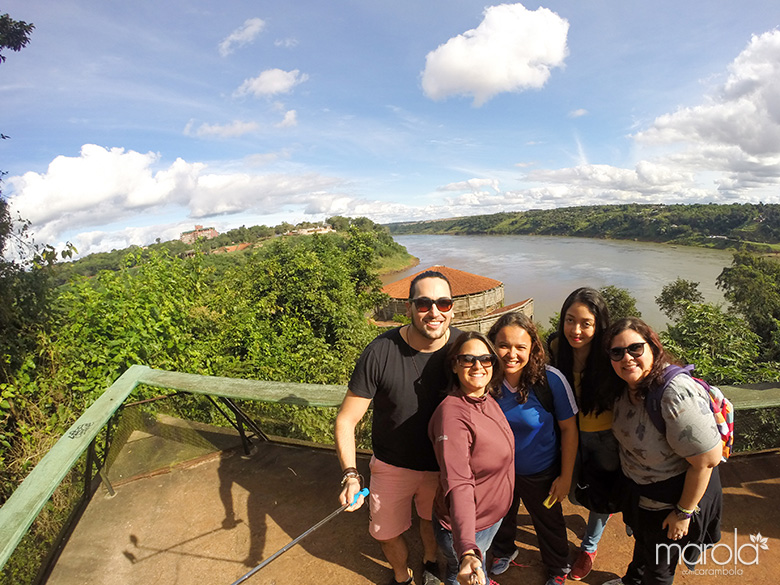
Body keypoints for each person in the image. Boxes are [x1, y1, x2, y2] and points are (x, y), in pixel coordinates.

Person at [335, 270, 461, 585]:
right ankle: (401, 575)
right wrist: (351, 475)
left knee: (430, 524)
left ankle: (431, 563)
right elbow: (346, 419)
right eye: (424, 303)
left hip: (441, 467)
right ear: (409, 308)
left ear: (452, 308)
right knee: (385, 531)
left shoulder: (465, 350)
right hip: (391, 465)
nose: (434, 312)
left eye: (443, 303)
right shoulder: (380, 351)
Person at [602, 318, 722, 585]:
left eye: (635, 348)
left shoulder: (674, 394)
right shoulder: (626, 387)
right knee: (645, 546)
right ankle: (632, 581)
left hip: (672, 500)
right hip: (643, 495)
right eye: (617, 352)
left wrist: (683, 513)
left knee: (660, 568)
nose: (627, 357)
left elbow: (707, 461)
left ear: (653, 348)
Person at [487, 313, 578, 585]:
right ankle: (504, 550)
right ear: (492, 346)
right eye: (503, 345)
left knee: (548, 522)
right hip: (499, 473)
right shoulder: (485, 380)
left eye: (520, 347)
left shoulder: (550, 381)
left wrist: (565, 477)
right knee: (502, 516)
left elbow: (569, 430)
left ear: (532, 349)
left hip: (540, 471)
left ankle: (558, 566)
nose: (511, 354)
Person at [428, 332, 515, 585]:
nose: (478, 366)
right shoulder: (453, 416)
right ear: (455, 365)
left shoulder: (485, 398)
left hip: (489, 519)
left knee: (479, 564)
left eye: (485, 359)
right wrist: (467, 548)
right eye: (468, 359)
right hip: (469, 527)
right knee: (461, 573)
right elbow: (459, 483)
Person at [548, 287, 620, 580]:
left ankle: (589, 547)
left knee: (600, 497)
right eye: (569, 320)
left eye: (586, 323)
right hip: (568, 435)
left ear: (599, 324)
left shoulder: (611, 354)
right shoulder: (555, 348)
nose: (575, 330)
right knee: (575, 494)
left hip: (605, 439)